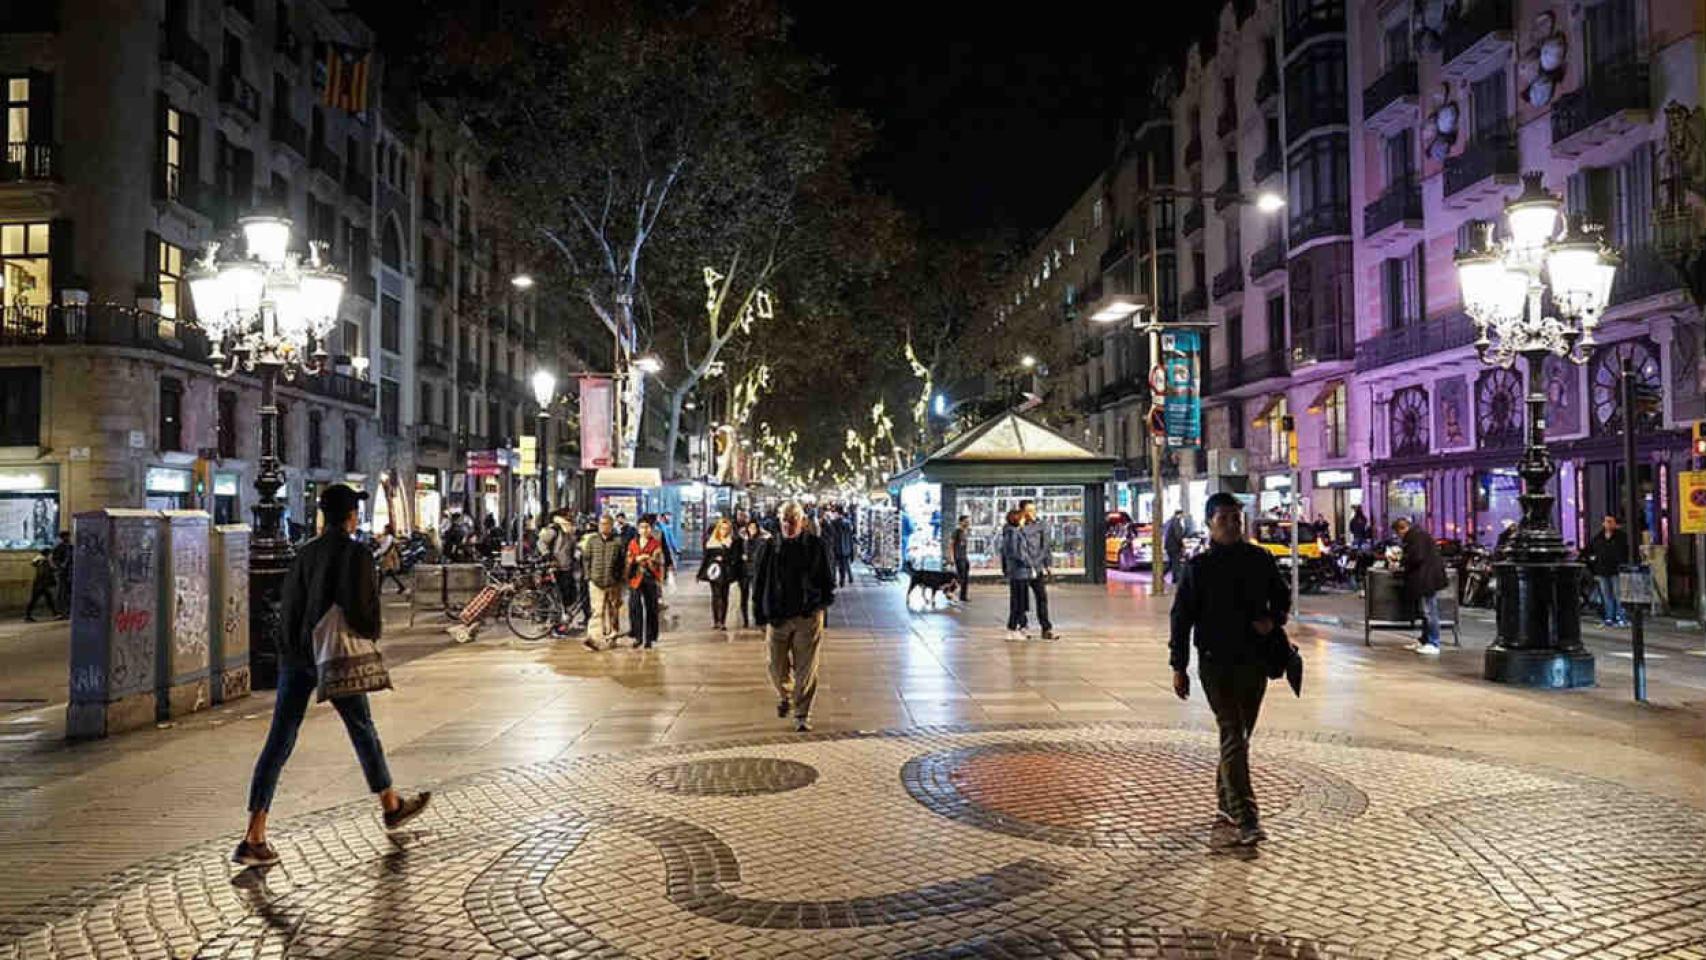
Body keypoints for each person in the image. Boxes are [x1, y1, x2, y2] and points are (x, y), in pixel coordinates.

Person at [235, 483, 430, 867]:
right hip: (334, 655)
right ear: (351, 516)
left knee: (280, 739)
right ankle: (390, 805)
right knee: (362, 728)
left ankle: (254, 833)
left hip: (297, 656)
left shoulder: (304, 553)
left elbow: (287, 605)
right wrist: (371, 633)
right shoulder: (355, 553)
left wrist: (291, 651)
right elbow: (362, 609)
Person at [1170, 491, 1290, 846]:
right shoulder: (1199, 568)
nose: (1232, 525)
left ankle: (1226, 801)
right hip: (1215, 662)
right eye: (1224, 518)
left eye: (1237, 518)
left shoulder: (1259, 559)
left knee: (1240, 736)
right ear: (1209, 523)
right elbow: (1181, 619)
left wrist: (1273, 619)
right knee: (1233, 732)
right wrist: (1179, 665)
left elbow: (1282, 596)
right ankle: (1247, 816)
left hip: (1254, 659)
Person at [750, 501, 836, 732]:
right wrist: (759, 612)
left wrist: (821, 604)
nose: (788, 525)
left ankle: (801, 713)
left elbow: (828, 578)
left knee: (806, 668)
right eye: (784, 520)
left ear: (802, 521)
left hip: (807, 616)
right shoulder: (769, 547)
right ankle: (786, 693)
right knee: (775, 666)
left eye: (793, 520)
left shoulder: (815, 545)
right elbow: (758, 580)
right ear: (779, 521)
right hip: (777, 616)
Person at [1001, 500, 1055, 641]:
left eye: (1034, 510)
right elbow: (1008, 550)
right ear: (1022, 512)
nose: (1032, 513)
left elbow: (1046, 546)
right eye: (1028, 511)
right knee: (1020, 600)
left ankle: (1046, 628)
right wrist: (1006, 568)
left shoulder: (1041, 525)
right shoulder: (1014, 527)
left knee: (1041, 597)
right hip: (1021, 569)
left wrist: (1047, 564)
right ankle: (1022, 626)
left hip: (1036, 568)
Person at [1393, 517, 1448, 655]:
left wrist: (1402, 560)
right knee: (1425, 611)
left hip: (1426, 579)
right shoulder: (1419, 535)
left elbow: (1416, 557)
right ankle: (1425, 640)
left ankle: (1433, 642)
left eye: (1397, 533)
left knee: (1429, 611)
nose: (1398, 536)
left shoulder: (1416, 537)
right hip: (1426, 578)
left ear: (1402, 529)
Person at [579, 515, 627, 651]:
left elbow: (623, 562)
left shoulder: (618, 542)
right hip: (596, 582)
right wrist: (588, 576)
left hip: (613, 583)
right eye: (601, 524)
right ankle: (593, 638)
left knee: (613, 610)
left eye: (606, 524)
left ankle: (613, 635)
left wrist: (620, 578)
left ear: (611, 526)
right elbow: (586, 559)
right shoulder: (592, 541)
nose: (603, 526)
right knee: (596, 611)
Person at [625, 515, 667, 649]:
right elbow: (628, 558)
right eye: (642, 527)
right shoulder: (633, 543)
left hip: (650, 577)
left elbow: (659, 560)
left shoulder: (656, 543)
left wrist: (649, 559)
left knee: (651, 608)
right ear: (638, 529)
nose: (645, 530)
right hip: (635, 578)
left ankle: (649, 637)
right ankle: (637, 636)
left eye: (647, 527)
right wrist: (636, 559)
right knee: (635, 608)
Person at [1583, 514, 1630, 627]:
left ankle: (1620, 617)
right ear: (1603, 524)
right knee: (1606, 595)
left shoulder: (1621, 537)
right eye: (1606, 521)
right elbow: (1588, 550)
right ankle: (1609, 617)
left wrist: (1622, 563)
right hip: (1602, 570)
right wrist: (1593, 561)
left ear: (1615, 524)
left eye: (1611, 521)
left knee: (1618, 595)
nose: (1608, 524)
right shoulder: (1598, 537)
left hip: (1615, 570)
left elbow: (1625, 551)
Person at [699, 517, 742, 632]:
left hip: (726, 571)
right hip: (714, 571)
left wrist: (725, 558)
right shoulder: (711, 541)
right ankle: (716, 621)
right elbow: (706, 558)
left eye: (727, 529)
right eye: (722, 528)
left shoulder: (733, 541)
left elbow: (736, 557)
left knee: (724, 595)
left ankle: (722, 621)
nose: (724, 531)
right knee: (715, 595)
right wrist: (700, 573)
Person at [740, 519, 769, 629]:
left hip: (756, 571)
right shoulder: (743, 540)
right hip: (744, 572)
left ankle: (758, 619)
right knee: (744, 597)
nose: (752, 530)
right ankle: (745, 620)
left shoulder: (761, 541)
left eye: (754, 528)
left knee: (756, 596)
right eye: (750, 528)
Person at [23, 546, 57, 622]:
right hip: (41, 584)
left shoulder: (41, 560)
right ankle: (27, 615)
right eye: (50, 553)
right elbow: (44, 572)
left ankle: (55, 614)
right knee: (37, 600)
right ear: (47, 553)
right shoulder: (44, 561)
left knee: (47, 599)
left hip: (40, 584)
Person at [372, 524, 407, 595]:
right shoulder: (387, 537)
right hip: (387, 557)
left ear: (388, 530)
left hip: (388, 558)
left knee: (383, 573)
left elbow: (385, 548)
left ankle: (379, 590)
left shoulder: (389, 537)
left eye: (385, 529)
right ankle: (401, 587)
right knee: (387, 573)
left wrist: (378, 554)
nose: (384, 530)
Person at [50, 530, 72, 618]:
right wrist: (61, 566)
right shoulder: (59, 547)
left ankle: (66, 611)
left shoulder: (69, 547)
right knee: (61, 592)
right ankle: (61, 611)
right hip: (62, 573)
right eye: (67, 536)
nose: (68, 538)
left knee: (67, 593)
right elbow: (55, 560)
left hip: (68, 573)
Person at [949, 515, 971, 603]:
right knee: (960, 577)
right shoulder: (956, 532)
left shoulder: (964, 532)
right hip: (958, 558)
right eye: (966, 521)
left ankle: (963, 596)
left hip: (964, 557)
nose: (968, 523)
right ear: (960, 522)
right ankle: (950, 591)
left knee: (965, 578)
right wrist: (951, 558)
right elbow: (951, 545)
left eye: (968, 521)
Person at [1163, 510, 1187, 584]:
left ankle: (1161, 575)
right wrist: (1182, 545)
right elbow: (1178, 535)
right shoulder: (1176, 522)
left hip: (1168, 545)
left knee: (1171, 563)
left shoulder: (1169, 521)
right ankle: (1176, 579)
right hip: (1174, 546)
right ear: (1179, 514)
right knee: (1176, 563)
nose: (1183, 516)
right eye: (1182, 515)